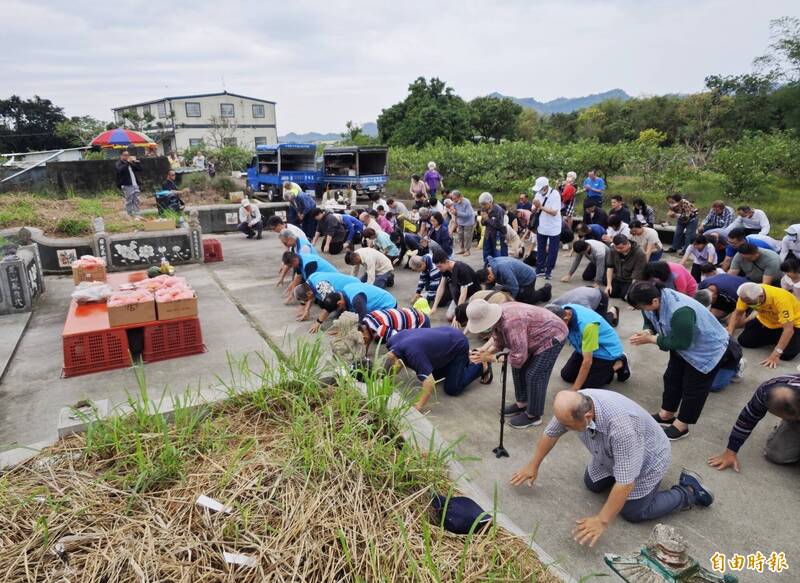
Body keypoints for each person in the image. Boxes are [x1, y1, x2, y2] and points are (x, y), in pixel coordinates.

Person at [511, 390, 715, 544]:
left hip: (648, 458)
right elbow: (551, 432)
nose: (565, 429)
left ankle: (688, 491)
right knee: (592, 484)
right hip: (611, 455)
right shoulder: (576, 403)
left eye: (569, 426)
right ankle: (617, 483)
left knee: (632, 512)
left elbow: (626, 481)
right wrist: (533, 465)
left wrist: (602, 520)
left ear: (588, 418)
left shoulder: (622, 427)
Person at [628, 282, 729, 440]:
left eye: (641, 307)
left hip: (707, 348)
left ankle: (682, 426)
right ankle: (666, 414)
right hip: (682, 345)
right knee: (672, 377)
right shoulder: (654, 300)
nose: (641, 310)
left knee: (693, 388)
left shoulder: (680, 311)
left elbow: (682, 343)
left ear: (654, 301)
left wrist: (652, 339)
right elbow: (649, 319)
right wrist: (647, 330)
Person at [466, 300, 567, 428]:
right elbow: (499, 340)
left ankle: (534, 415)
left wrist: (491, 357)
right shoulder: (498, 316)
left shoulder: (511, 323)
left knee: (534, 375)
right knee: (517, 368)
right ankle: (522, 403)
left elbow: (519, 357)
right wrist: (484, 354)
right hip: (533, 334)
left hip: (553, 335)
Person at [708, 374, 800, 473]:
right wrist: (731, 452)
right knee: (777, 455)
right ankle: (787, 426)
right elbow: (746, 420)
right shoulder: (764, 392)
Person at [385, 327, 488, 411]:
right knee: (435, 374)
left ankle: (481, 366)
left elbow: (430, 382)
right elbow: (398, 362)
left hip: (458, 344)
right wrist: (387, 381)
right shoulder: (392, 343)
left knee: (452, 388)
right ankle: (461, 364)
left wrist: (418, 406)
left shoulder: (414, 354)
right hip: (446, 335)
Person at [546, 304, 629, 390]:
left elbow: (587, 361)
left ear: (566, 319)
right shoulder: (562, 310)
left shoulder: (588, 326)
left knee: (585, 387)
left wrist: (574, 389)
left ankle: (620, 363)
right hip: (583, 346)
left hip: (606, 351)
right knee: (567, 375)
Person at [728, 282, 800, 366]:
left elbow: (788, 329)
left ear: (761, 296)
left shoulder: (781, 299)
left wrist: (776, 353)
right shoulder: (746, 295)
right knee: (744, 341)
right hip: (767, 320)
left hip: (793, 323)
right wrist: (729, 332)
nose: (749, 305)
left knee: (786, 355)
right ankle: (778, 338)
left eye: (751, 303)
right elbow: (737, 313)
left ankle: (785, 339)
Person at [312, 281, 397, 333]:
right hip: (372, 302)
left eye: (339, 308)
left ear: (339, 303)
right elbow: (331, 308)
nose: (339, 310)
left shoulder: (356, 299)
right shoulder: (343, 291)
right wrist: (319, 321)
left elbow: (364, 321)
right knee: (346, 313)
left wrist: (345, 331)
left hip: (388, 306)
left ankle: (391, 323)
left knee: (374, 334)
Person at [476, 256, 552, 305]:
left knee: (525, 300)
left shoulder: (504, 270)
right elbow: (489, 286)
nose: (488, 284)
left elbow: (514, 288)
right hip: (515, 277)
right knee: (500, 290)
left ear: (489, 276)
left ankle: (545, 291)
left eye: (487, 282)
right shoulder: (488, 268)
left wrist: (510, 303)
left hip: (527, 277)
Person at [293, 271, 360, 322]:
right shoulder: (310, 281)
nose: (307, 301)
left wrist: (319, 322)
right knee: (330, 309)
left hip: (356, 289)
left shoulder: (321, 286)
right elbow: (311, 296)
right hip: (350, 283)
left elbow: (330, 303)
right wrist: (306, 311)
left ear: (308, 293)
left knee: (343, 317)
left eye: (306, 299)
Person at [531, 177, 562, 280]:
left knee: (553, 250)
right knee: (540, 249)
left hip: (554, 227)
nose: (539, 191)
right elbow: (533, 210)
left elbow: (554, 212)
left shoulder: (555, 194)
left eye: (541, 189)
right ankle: (539, 269)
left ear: (546, 187)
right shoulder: (538, 194)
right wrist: (535, 206)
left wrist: (540, 207)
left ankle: (549, 271)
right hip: (542, 226)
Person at [361, 307, 430, 350]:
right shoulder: (366, 318)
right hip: (411, 312)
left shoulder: (380, 329)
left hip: (420, 321)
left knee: (415, 347)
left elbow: (399, 339)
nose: (365, 344)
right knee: (381, 337)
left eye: (365, 341)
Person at [552, 286, 619, 327]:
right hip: (586, 291)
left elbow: (592, 319)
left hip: (600, 297)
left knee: (601, 325)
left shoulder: (582, 306)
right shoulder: (555, 304)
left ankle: (613, 311)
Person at [478, 192, 507, 264]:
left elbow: (499, 225)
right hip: (488, 234)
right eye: (482, 204)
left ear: (490, 202)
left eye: (484, 204)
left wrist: (487, 219)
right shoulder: (484, 209)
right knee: (486, 253)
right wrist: (483, 219)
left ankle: (498, 270)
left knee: (498, 255)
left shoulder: (498, 210)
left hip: (498, 235)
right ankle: (487, 269)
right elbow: (483, 224)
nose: (483, 206)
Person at [115, 150, 142, 219]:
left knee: (136, 199)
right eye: (125, 155)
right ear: (121, 156)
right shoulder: (119, 163)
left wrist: (137, 162)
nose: (127, 156)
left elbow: (139, 169)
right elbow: (120, 170)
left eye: (128, 155)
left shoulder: (130, 163)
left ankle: (137, 214)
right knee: (129, 200)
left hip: (135, 184)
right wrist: (128, 163)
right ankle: (129, 214)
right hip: (126, 185)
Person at [450, 190, 476, 256]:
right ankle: (462, 249)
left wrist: (457, 213)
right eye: (453, 199)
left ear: (460, 197)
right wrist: (453, 212)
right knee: (460, 236)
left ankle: (467, 251)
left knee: (467, 236)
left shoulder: (466, 202)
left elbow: (468, 214)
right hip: (460, 221)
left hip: (469, 221)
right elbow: (454, 212)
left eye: (455, 198)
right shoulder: (454, 203)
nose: (454, 200)